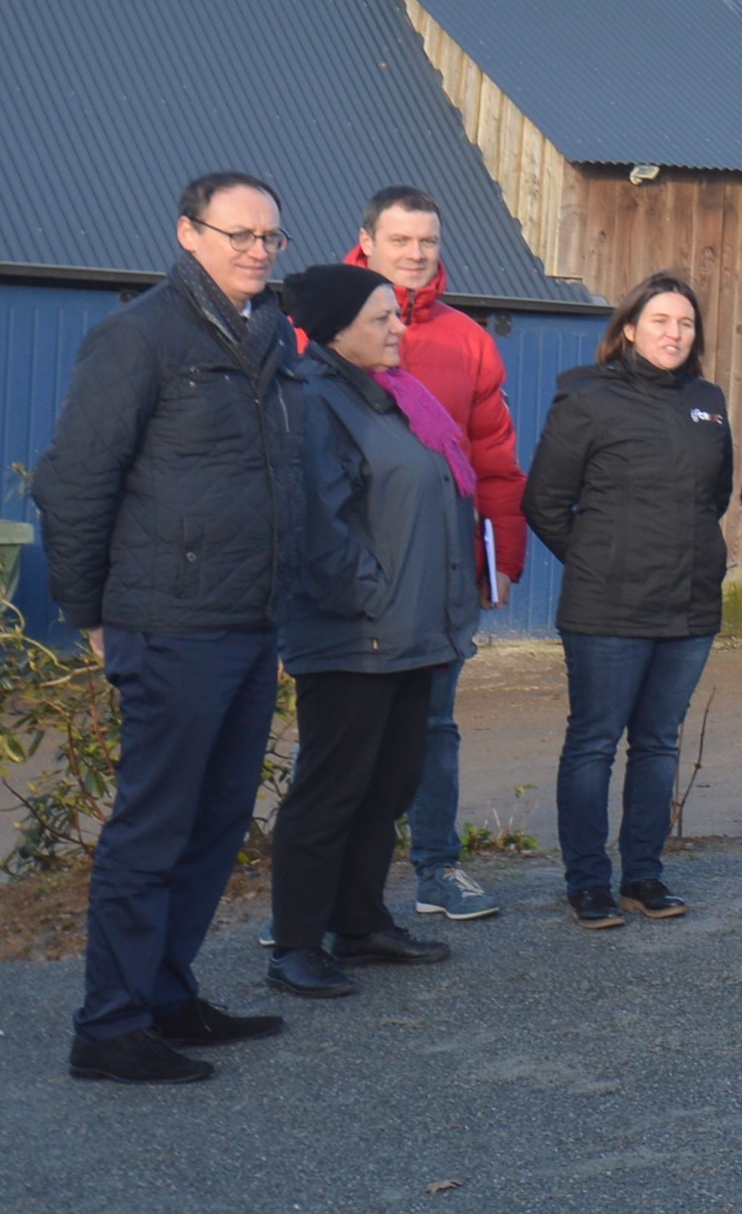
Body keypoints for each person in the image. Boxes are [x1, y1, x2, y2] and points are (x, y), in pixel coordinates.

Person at [35, 172, 303, 1084]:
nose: (258, 249)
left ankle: (164, 994)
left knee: (217, 820)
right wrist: (92, 615)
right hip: (169, 623)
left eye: (270, 235)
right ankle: (108, 1028)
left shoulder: (270, 337)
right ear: (189, 233)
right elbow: (73, 483)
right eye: (240, 233)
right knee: (153, 830)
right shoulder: (140, 336)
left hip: (248, 621)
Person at [263, 265, 480, 996]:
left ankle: (357, 925)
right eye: (380, 317)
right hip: (357, 638)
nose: (397, 327)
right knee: (331, 790)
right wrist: (375, 599)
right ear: (335, 328)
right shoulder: (314, 399)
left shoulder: (392, 398)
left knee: (388, 784)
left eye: (397, 315)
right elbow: (320, 526)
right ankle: (295, 943)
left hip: (412, 631)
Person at [522, 272, 733, 931]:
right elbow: (544, 501)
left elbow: (715, 494)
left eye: (686, 323)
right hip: (607, 608)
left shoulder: (707, 399)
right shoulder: (587, 398)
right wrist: (597, 559)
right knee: (593, 744)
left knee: (659, 743)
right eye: (661, 320)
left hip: (689, 604)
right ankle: (588, 880)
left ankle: (643, 871)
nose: (674, 333)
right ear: (630, 328)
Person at [344, 187, 527, 923]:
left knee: (434, 726)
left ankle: (436, 869)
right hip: (353, 563)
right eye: (401, 240)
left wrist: (501, 553)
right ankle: (317, 882)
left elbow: (494, 457)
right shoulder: (316, 326)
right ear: (367, 241)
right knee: (343, 731)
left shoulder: (467, 340)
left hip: (443, 563)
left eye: (427, 240)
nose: (416, 253)